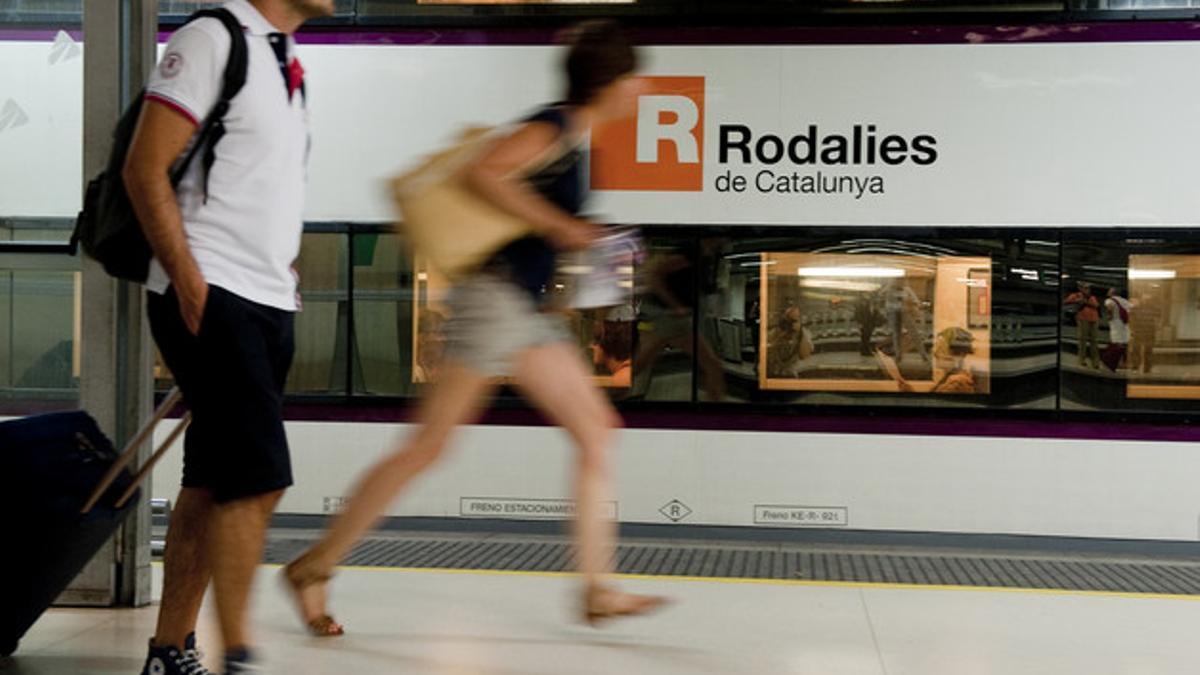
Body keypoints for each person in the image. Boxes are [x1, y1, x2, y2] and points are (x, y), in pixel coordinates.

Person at [281, 20, 666, 636]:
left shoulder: (576, 138)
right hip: (493, 304)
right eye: (635, 80)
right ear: (612, 82)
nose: (640, 91)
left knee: (598, 431)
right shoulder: (557, 128)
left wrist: (567, 276)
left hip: (523, 312)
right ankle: (314, 565)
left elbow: (532, 225)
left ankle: (596, 589)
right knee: (429, 446)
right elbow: (480, 173)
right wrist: (563, 229)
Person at [123, 1, 332, 672]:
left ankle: (169, 650)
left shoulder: (284, 60)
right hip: (214, 290)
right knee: (259, 476)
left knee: (213, 481)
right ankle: (236, 652)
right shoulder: (214, 38)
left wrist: (283, 267)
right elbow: (142, 166)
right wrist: (187, 276)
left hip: (269, 297)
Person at [1063, 281, 1100, 369]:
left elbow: (1096, 305)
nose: (1087, 290)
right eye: (1085, 288)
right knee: (1082, 340)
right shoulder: (1075, 296)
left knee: (1094, 341)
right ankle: (1081, 360)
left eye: (1088, 288)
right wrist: (1077, 301)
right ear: (1080, 288)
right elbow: (1065, 303)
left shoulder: (1092, 297)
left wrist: (1086, 302)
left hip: (1094, 319)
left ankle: (1095, 361)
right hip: (1083, 319)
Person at [1129, 290, 1164, 374]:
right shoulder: (1136, 307)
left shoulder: (1154, 308)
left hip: (1149, 331)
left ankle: (1146, 368)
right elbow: (1131, 318)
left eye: (1148, 296)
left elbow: (1159, 318)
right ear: (1141, 297)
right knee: (1136, 349)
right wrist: (1132, 329)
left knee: (1148, 350)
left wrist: (1157, 327)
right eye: (1144, 296)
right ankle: (1136, 367)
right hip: (1139, 331)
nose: (1146, 298)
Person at [1102, 287, 1132, 372]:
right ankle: (1122, 363)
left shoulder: (1109, 300)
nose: (1107, 292)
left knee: (1115, 343)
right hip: (1125, 324)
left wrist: (1109, 316)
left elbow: (1110, 307)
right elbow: (1131, 309)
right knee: (1122, 344)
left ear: (1112, 292)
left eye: (1109, 291)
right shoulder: (1125, 301)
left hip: (1116, 324)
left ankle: (1110, 363)